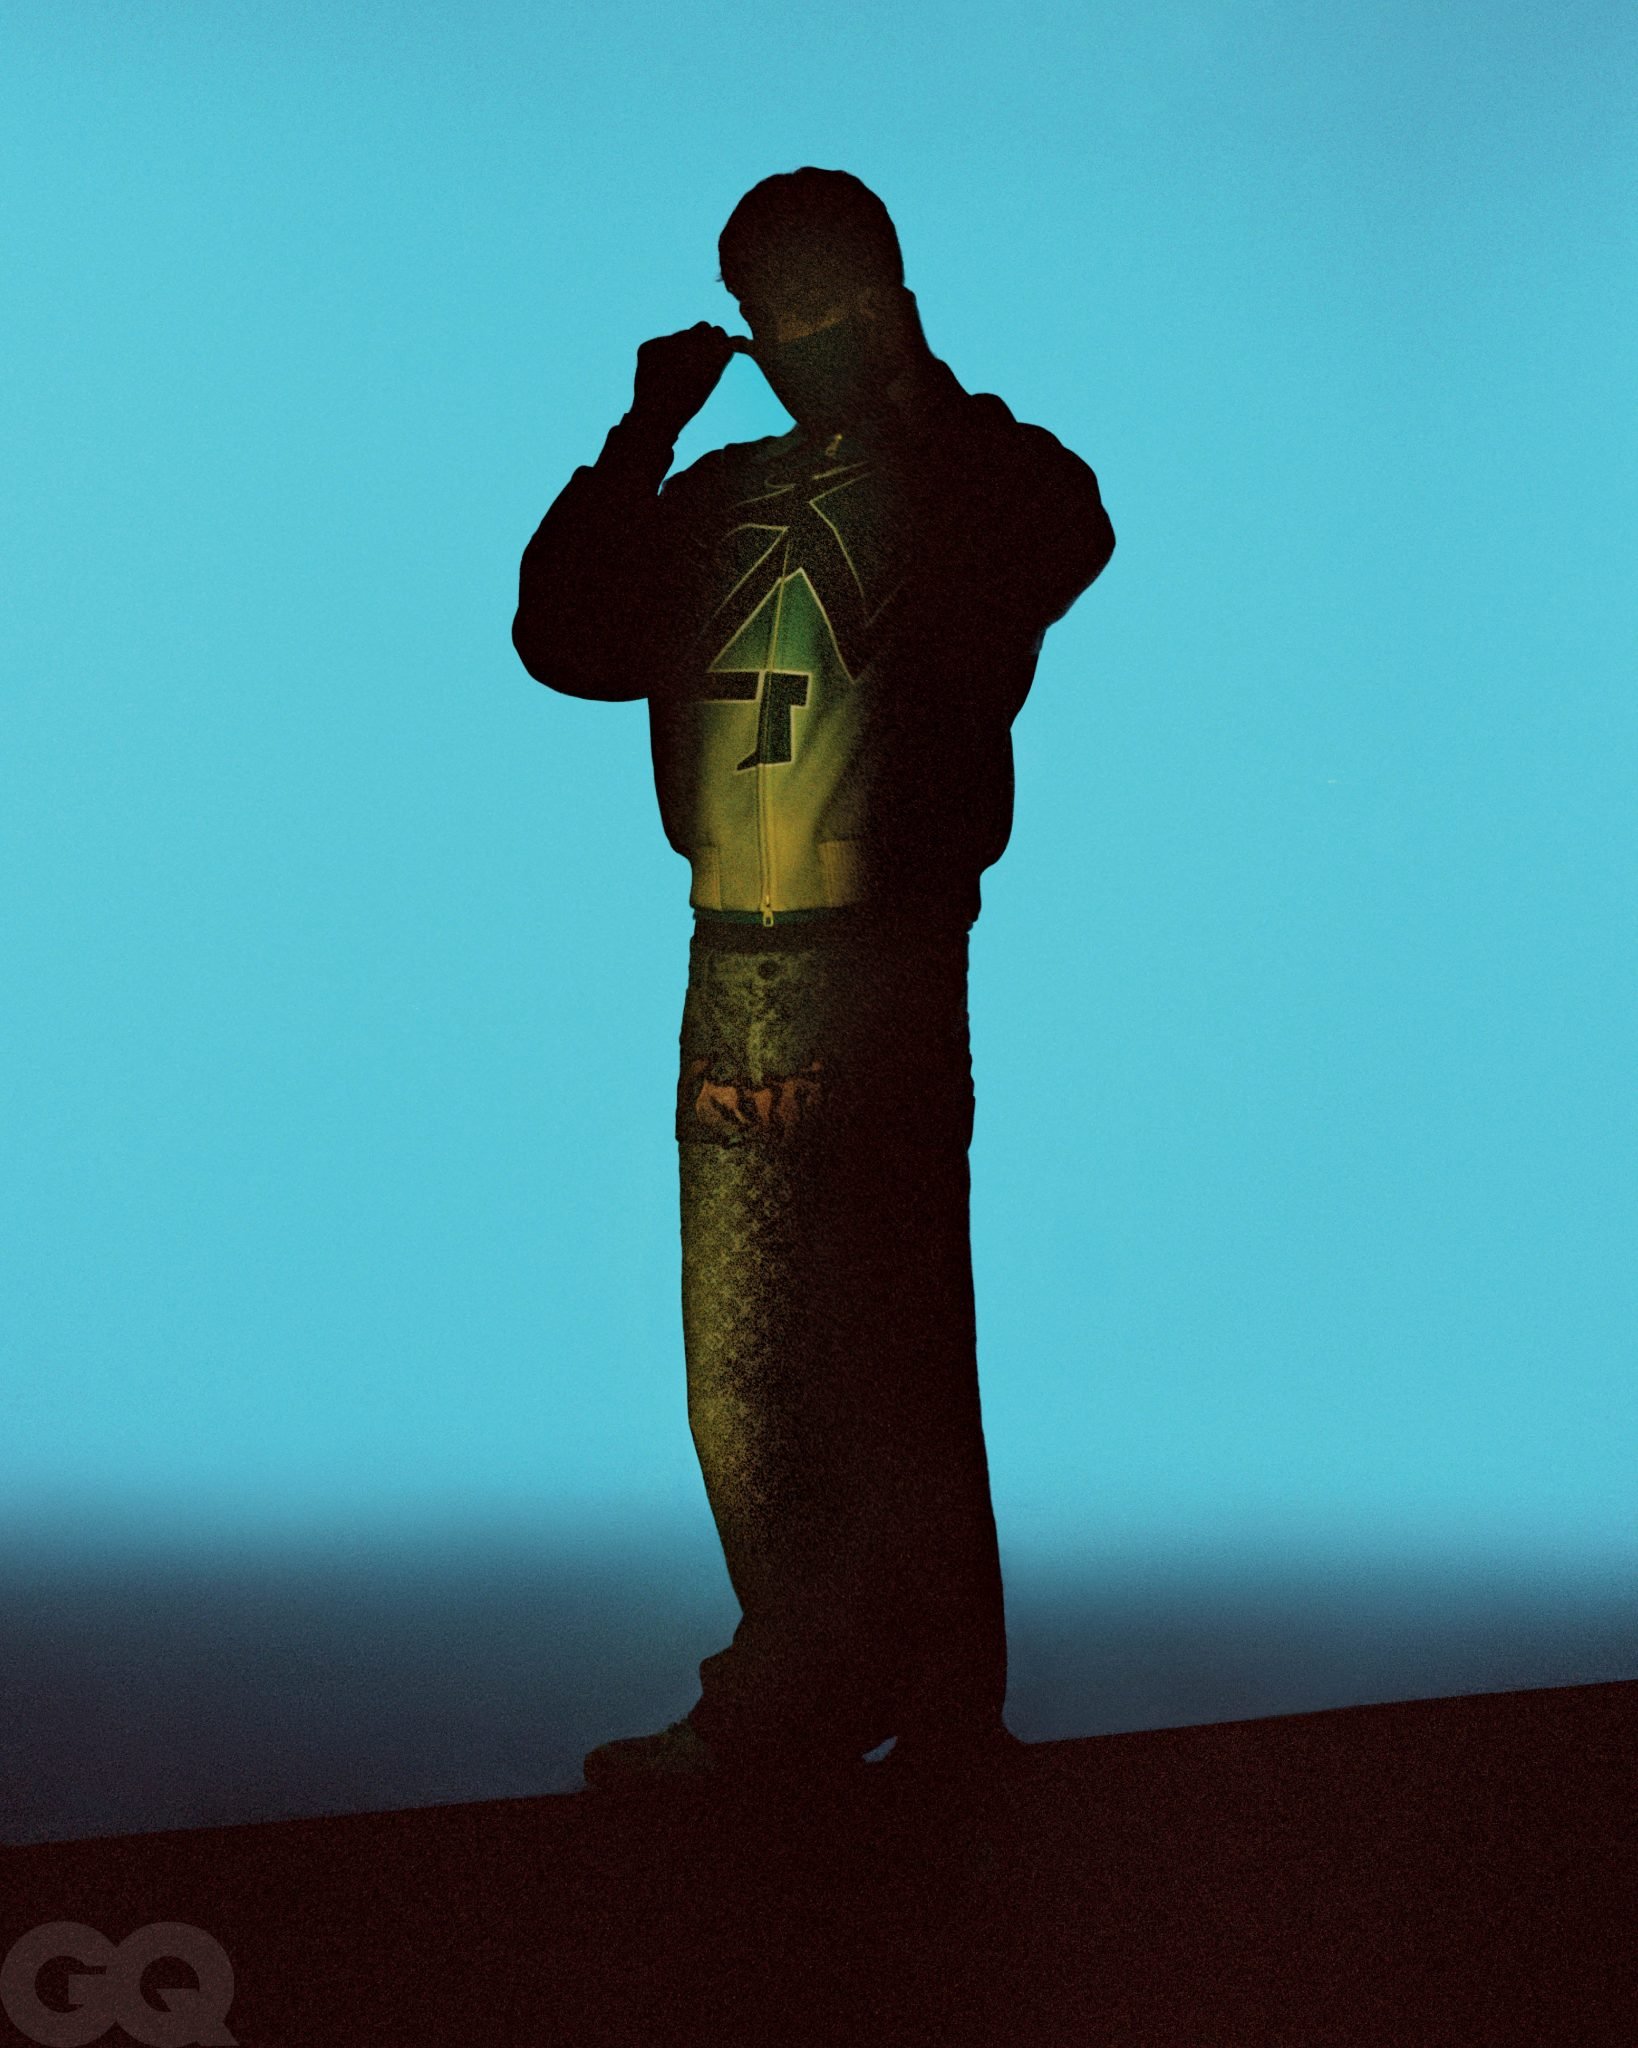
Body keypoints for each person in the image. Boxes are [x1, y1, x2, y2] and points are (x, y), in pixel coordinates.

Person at [512, 167, 1115, 1793]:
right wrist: (641, 434)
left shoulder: (979, 475)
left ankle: (942, 1708)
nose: (794, 336)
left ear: (888, 299)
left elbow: (1060, 532)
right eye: (765, 308)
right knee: (746, 1370)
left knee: (892, 1343)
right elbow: (561, 634)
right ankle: (794, 1688)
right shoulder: (716, 492)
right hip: (732, 961)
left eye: (821, 298)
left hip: (883, 952)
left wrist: (911, 384)